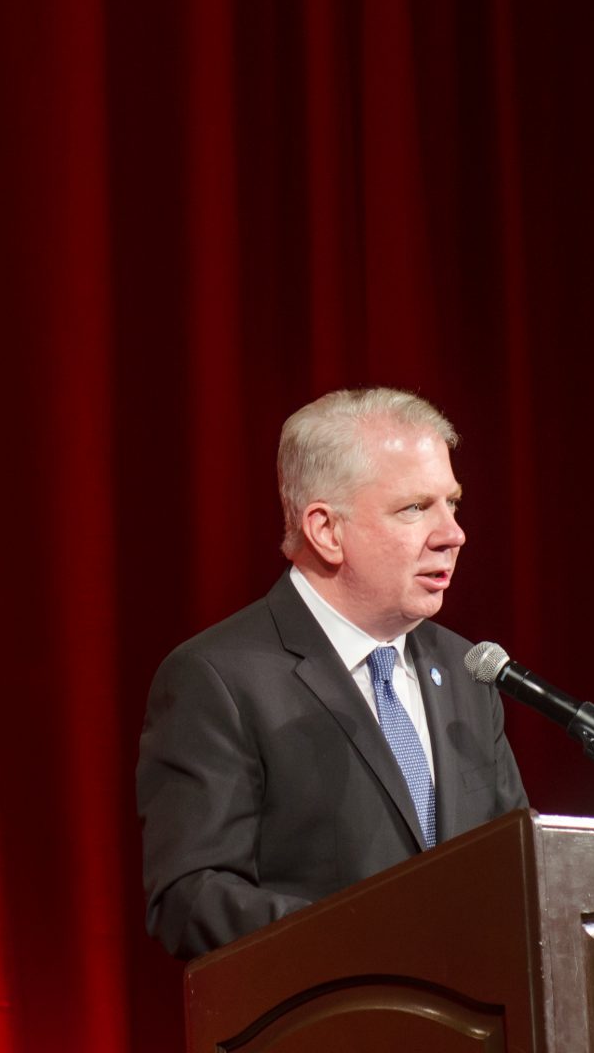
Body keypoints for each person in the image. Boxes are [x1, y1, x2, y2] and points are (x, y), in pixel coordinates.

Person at [136, 387, 529, 960]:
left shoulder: (466, 669)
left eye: (453, 503)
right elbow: (191, 897)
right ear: (326, 530)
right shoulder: (219, 678)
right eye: (415, 508)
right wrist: (375, 941)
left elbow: (518, 869)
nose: (452, 534)